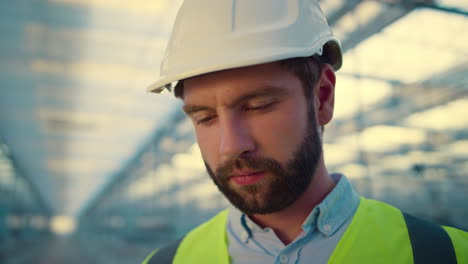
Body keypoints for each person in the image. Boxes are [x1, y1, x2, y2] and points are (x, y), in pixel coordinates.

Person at [142, 0, 468, 263]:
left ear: (322, 97)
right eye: (205, 118)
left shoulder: (448, 255)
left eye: (258, 106)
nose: (230, 146)